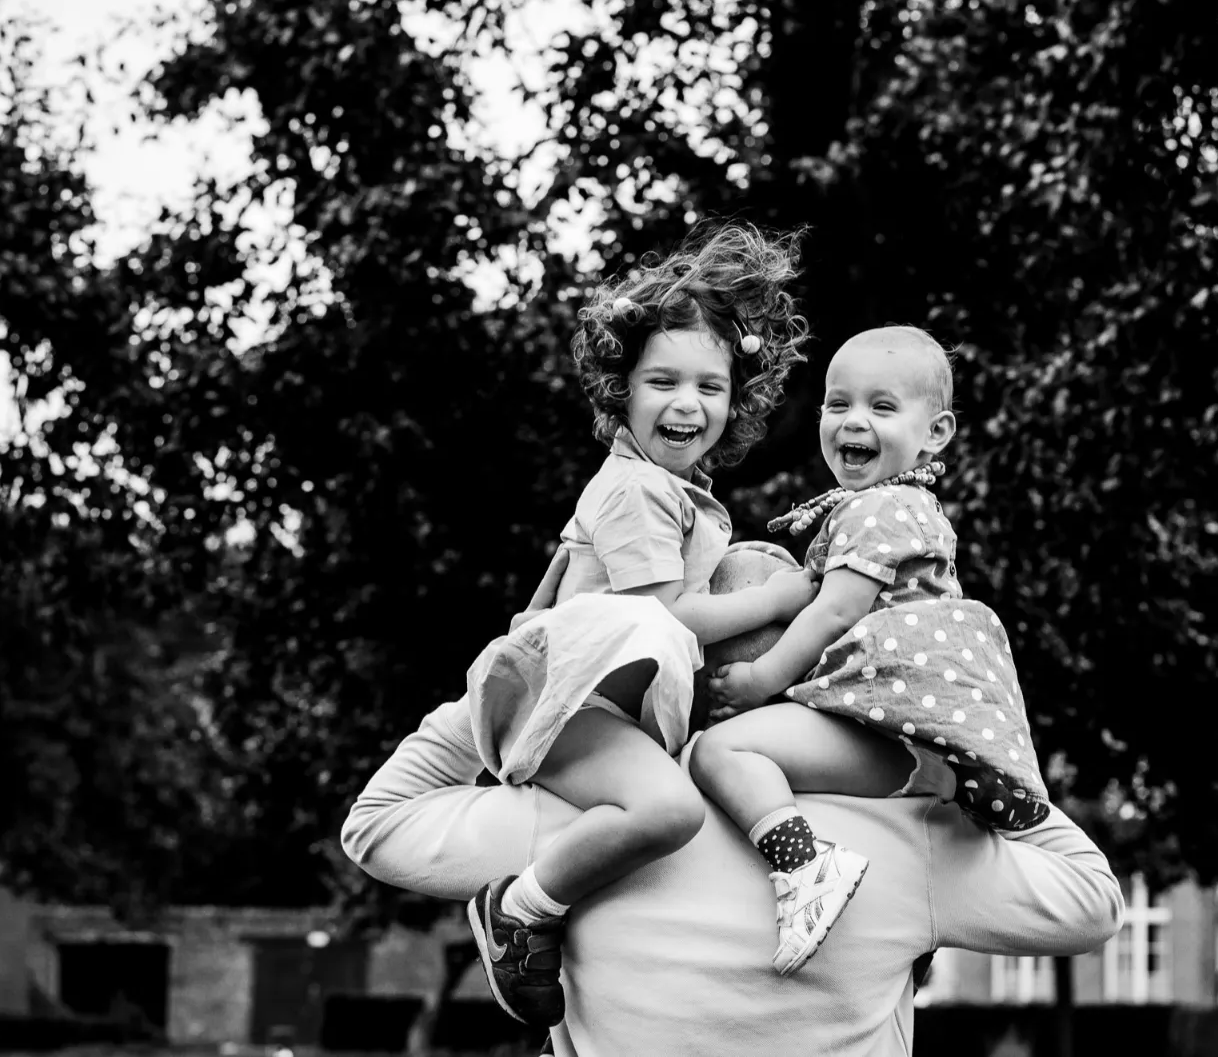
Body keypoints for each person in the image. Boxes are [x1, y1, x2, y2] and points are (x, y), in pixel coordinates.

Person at [340, 542, 1124, 1057]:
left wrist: (527, 669)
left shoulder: (581, 827)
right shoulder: (906, 836)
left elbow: (375, 827)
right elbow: (1093, 904)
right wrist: (963, 746)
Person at [456, 223, 816, 1027]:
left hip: (606, 703)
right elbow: (666, 617)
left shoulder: (673, 491)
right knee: (670, 810)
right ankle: (517, 910)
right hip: (569, 709)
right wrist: (789, 600)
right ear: (623, 390)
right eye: (663, 381)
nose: (687, 404)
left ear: (737, 398)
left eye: (710, 388)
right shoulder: (635, 491)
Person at [689, 325, 1054, 976]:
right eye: (839, 404)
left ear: (935, 432)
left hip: (892, 734)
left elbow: (836, 610)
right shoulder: (893, 507)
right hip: (905, 730)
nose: (854, 420)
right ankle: (909, 941)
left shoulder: (882, 509)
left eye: (882, 407)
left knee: (722, 750)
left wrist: (758, 679)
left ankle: (806, 868)